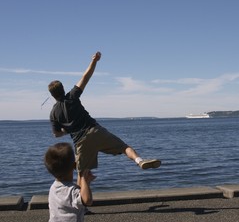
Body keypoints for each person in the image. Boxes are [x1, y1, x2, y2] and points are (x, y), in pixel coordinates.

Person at [48, 51, 161, 185]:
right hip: (95, 131)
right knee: (124, 147)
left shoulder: (53, 113)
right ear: (63, 89)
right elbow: (86, 77)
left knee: (82, 174)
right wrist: (94, 61)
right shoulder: (72, 97)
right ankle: (139, 161)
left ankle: (78, 203)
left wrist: (66, 130)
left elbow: (56, 134)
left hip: (80, 142)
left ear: (52, 95)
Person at [44, 142, 96, 222]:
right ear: (74, 165)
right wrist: (84, 178)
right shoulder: (72, 191)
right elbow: (87, 200)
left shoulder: (53, 188)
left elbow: (79, 196)